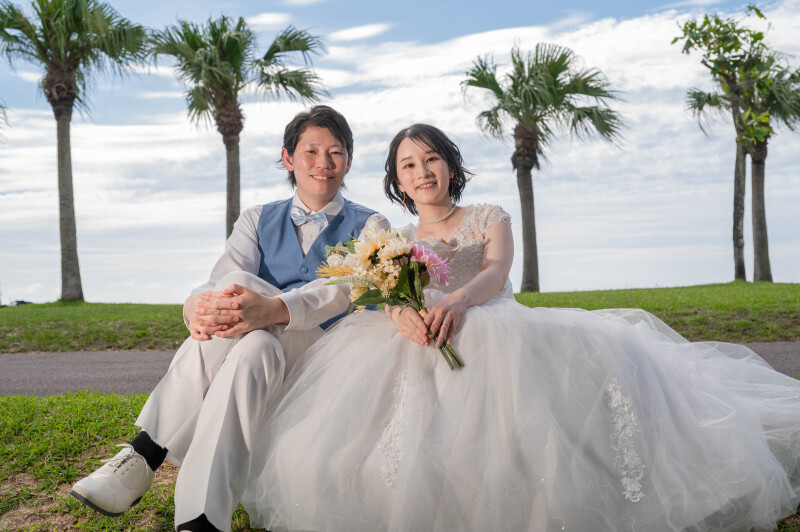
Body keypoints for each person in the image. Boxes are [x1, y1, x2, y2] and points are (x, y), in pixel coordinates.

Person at [237, 124, 800, 532]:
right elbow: (376, 289)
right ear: (398, 182)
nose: (422, 172)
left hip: (489, 321)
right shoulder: (392, 232)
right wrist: (400, 312)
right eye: (409, 165)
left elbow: (498, 271)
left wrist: (457, 304)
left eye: (431, 159)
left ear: (450, 167)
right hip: (414, 334)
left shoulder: (487, 216)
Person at [68, 105, 389, 532]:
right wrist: (194, 308)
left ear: (349, 160)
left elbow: (347, 290)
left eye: (336, 152)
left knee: (241, 287)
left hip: (324, 355)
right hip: (258, 351)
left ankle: (145, 452)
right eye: (311, 151)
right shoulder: (257, 218)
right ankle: (200, 521)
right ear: (288, 158)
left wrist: (275, 309)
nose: (324, 163)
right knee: (252, 338)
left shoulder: (372, 224)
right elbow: (220, 280)